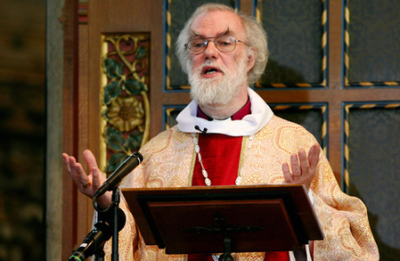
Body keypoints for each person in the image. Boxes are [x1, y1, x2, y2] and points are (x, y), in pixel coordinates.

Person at [63, 3, 379, 261]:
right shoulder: (155, 154)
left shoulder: (294, 144)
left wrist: (304, 200)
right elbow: (127, 241)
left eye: (225, 42)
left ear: (250, 58)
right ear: (188, 60)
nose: (210, 52)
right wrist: (108, 204)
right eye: (198, 44)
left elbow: (350, 248)